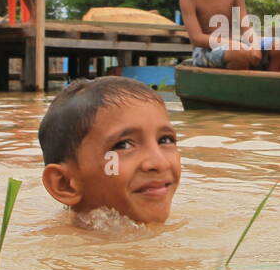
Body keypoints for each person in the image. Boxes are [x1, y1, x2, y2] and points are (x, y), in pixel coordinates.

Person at [38, 76, 180, 225]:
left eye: (165, 140)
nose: (161, 163)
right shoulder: (57, 245)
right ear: (65, 184)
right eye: (124, 145)